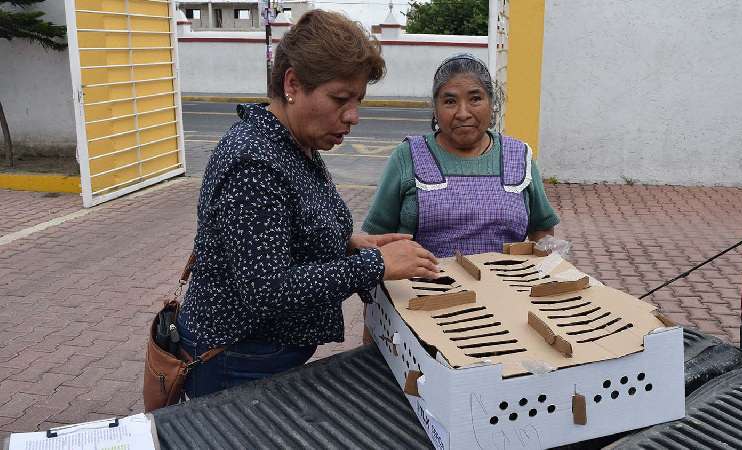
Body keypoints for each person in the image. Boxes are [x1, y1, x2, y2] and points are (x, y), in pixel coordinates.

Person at [177, 10, 439, 398]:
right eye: (340, 99)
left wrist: (349, 244)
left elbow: (289, 230)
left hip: (262, 358)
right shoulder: (254, 161)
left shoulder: (294, 143)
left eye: (358, 101)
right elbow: (267, 288)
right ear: (293, 84)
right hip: (236, 363)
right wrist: (376, 264)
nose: (353, 117)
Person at [362, 54, 560, 258]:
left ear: (491, 103)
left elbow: (542, 229)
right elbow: (379, 236)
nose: (463, 113)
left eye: (475, 99)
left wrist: (547, 268)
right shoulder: (408, 156)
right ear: (435, 110)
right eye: (450, 101)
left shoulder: (518, 156)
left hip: (505, 286)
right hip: (425, 286)